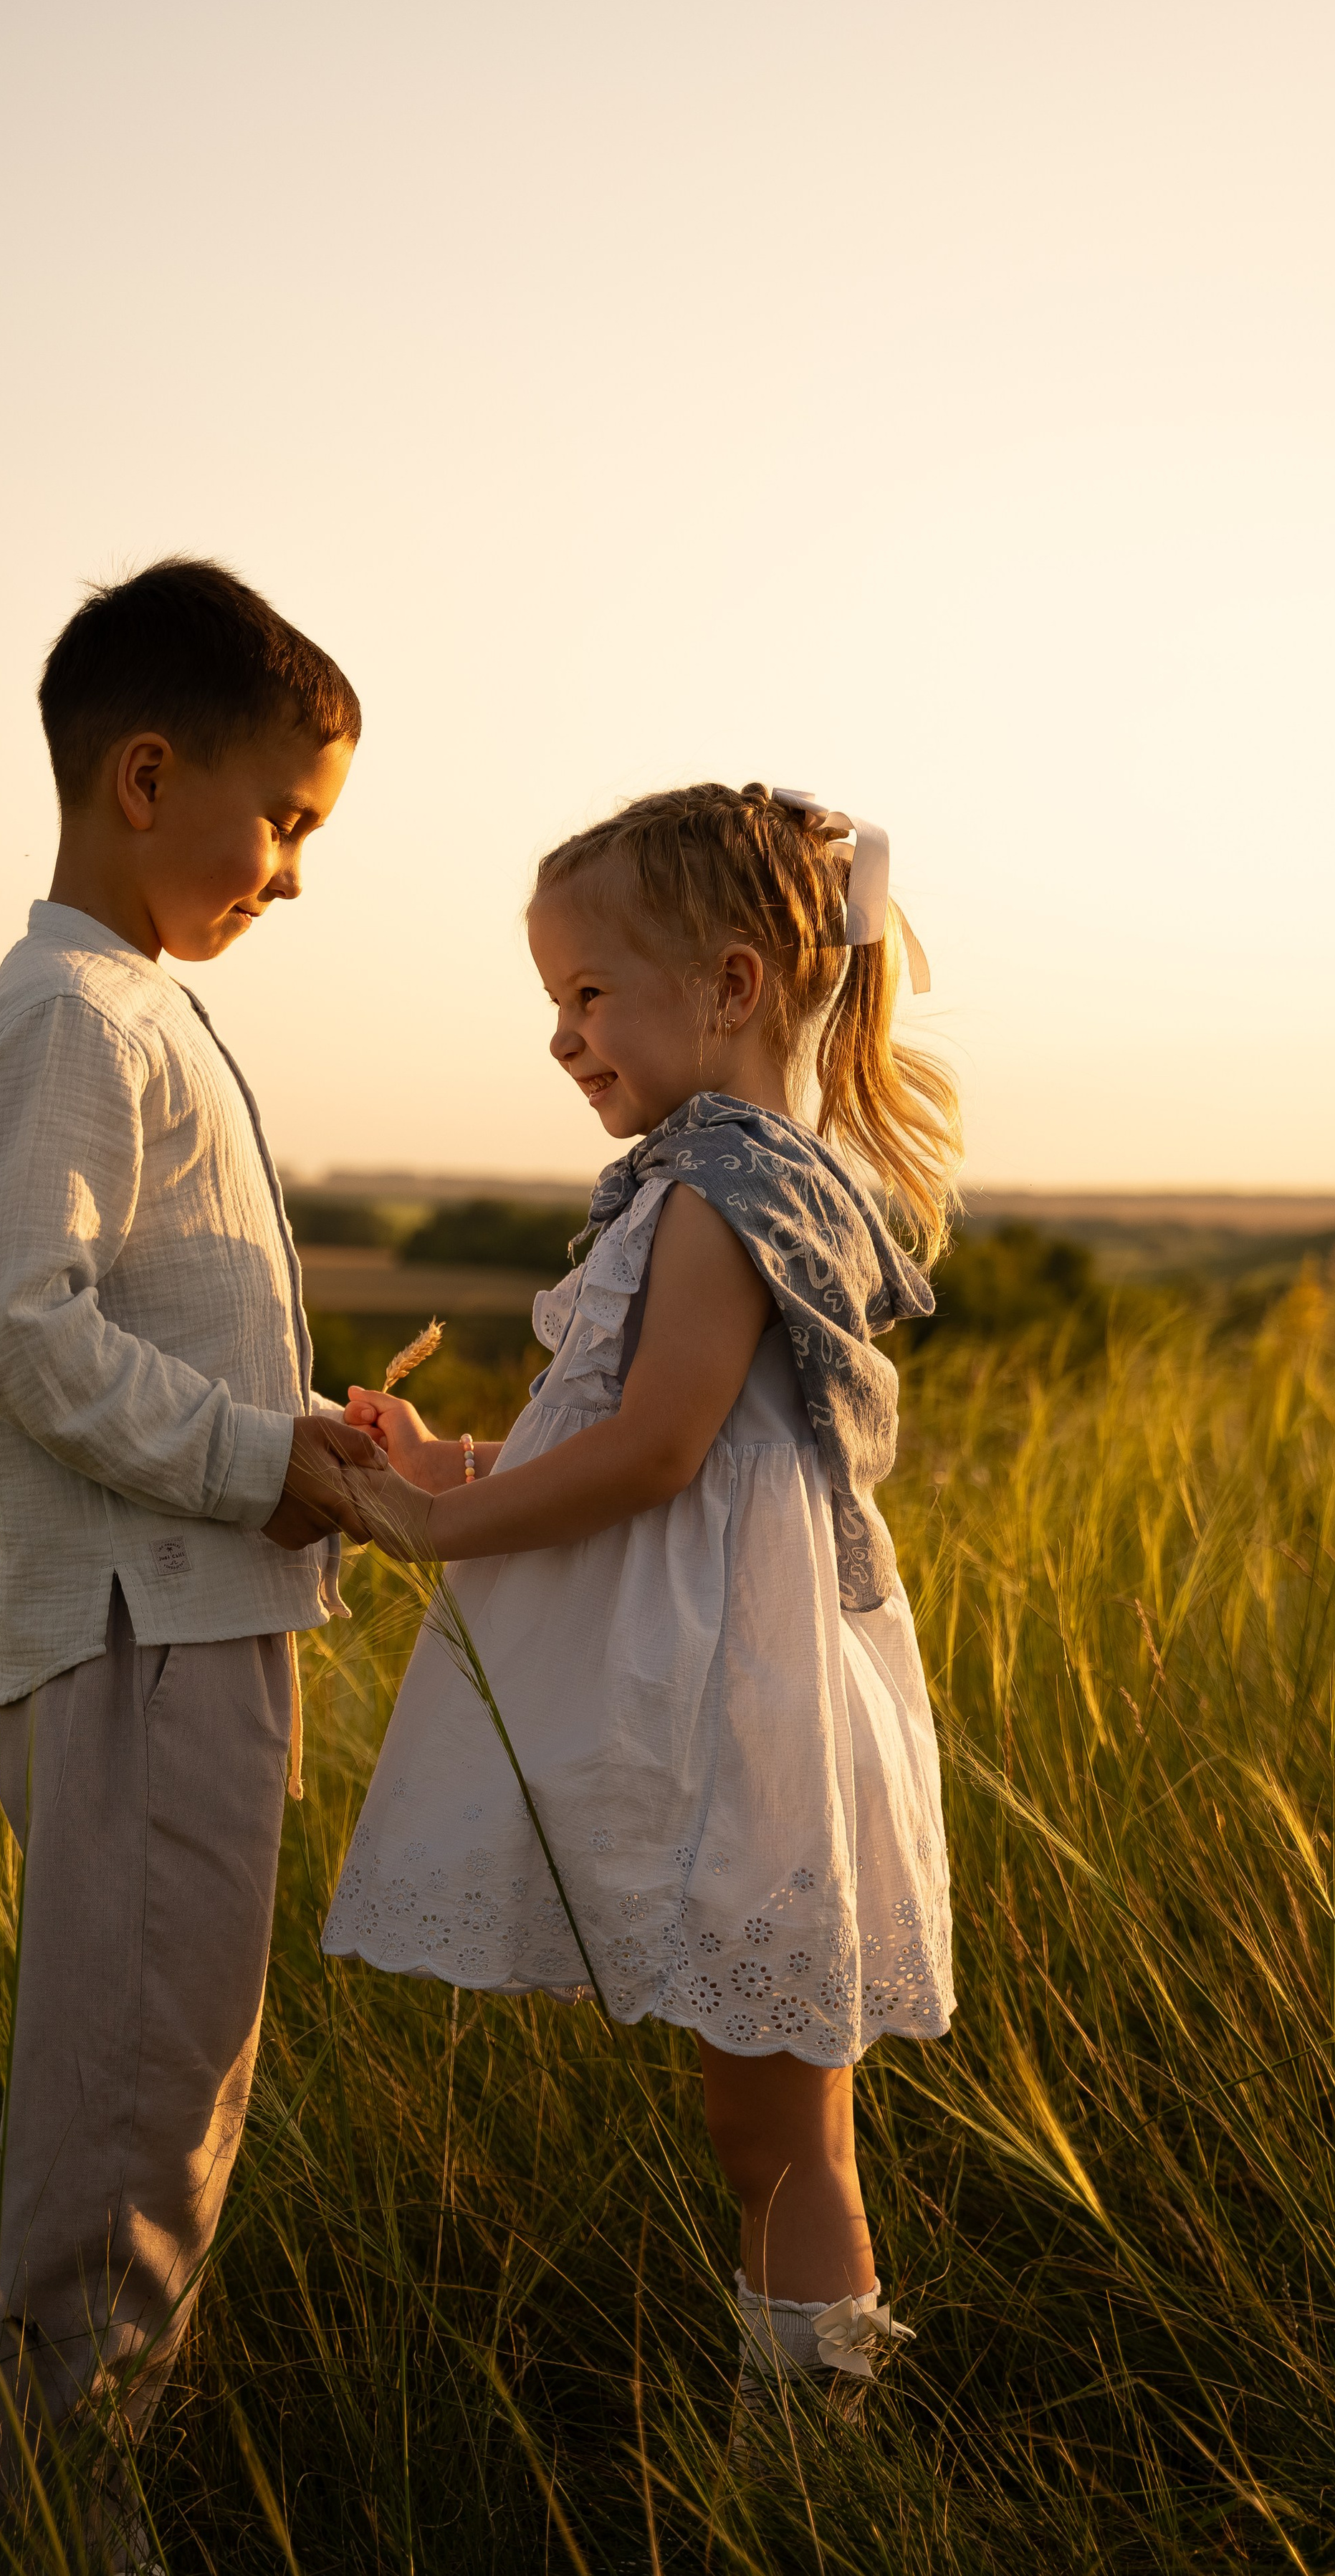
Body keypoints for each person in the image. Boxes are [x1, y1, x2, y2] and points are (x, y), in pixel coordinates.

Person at [325, 780, 961, 2407]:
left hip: (744, 1717)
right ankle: (807, 2414)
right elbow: (602, 1440)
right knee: (758, 2122)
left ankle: (820, 2439)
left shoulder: (721, 1191)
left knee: (779, 2132)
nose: (562, 1036)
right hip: (733, 1703)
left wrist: (426, 1527)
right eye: (555, 999)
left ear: (734, 985)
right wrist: (455, 1457)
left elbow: (659, 1453)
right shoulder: (706, 1179)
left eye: (588, 993)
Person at [0, 558, 386, 2570]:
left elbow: (152, 1319)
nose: (293, 872)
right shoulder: (64, 1015)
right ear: (141, 776)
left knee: (172, 2111)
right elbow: (18, 1327)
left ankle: (58, 2507)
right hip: (136, 1656)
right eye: (283, 819)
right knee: (116, 2150)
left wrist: (304, 1430)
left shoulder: (138, 1009)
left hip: (204, 1640)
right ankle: (36, 2527)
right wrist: (250, 1456)